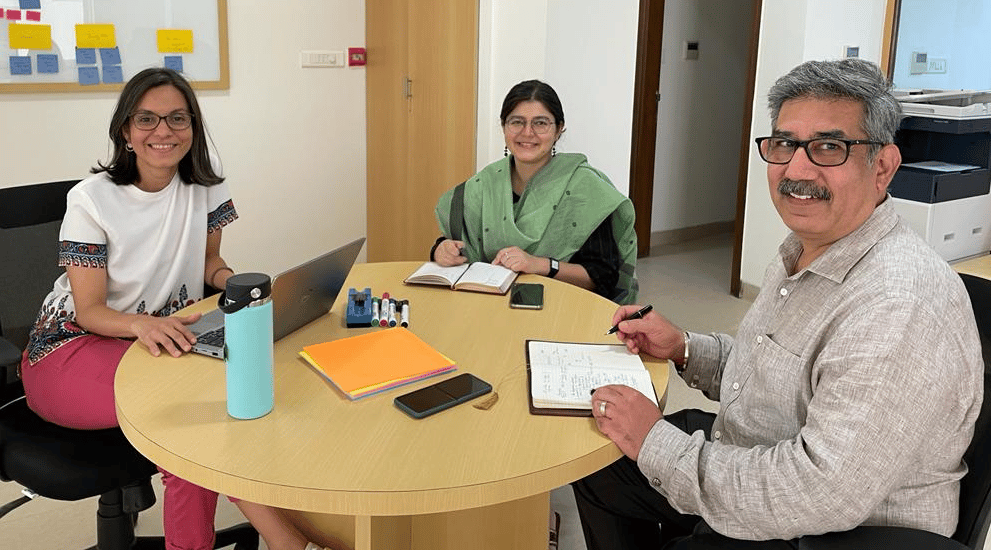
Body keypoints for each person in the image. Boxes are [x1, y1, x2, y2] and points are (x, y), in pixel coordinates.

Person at [572, 58, 983, 549]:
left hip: (841, 531)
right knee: (599, 461)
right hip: (764, 459)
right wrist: (684, 347)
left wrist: (655, 441)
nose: (797, 170)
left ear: (883, 167)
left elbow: (817, 490)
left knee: (638, 450)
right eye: (785, 144)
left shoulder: (897, 303)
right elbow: (772, 373)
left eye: (829, 146)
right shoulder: (803, 250)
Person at [19, 68, 346, 550]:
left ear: (192, 126)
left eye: (177, 118)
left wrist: (235, 283)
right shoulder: (91, 199)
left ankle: (286, 538)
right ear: (126, 131)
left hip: (162, 338)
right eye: (146, 119)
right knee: (188, 434)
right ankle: (285, 540)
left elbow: (210, 263)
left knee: (235, 400)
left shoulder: (205, 185)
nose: (163, 131)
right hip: (71, 350)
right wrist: (141, 324)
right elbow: (88, 309)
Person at [431, 79, 638, 304]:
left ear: (559, 129)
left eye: (540, 123)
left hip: (564, 308)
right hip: (491, 305)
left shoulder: (585, 189)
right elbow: (463, 240)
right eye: (516, 122)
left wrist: (539, 264)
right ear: (503, 127)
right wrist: (440, 250)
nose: (527, 133)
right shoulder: (484, 185)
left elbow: (603, 277)